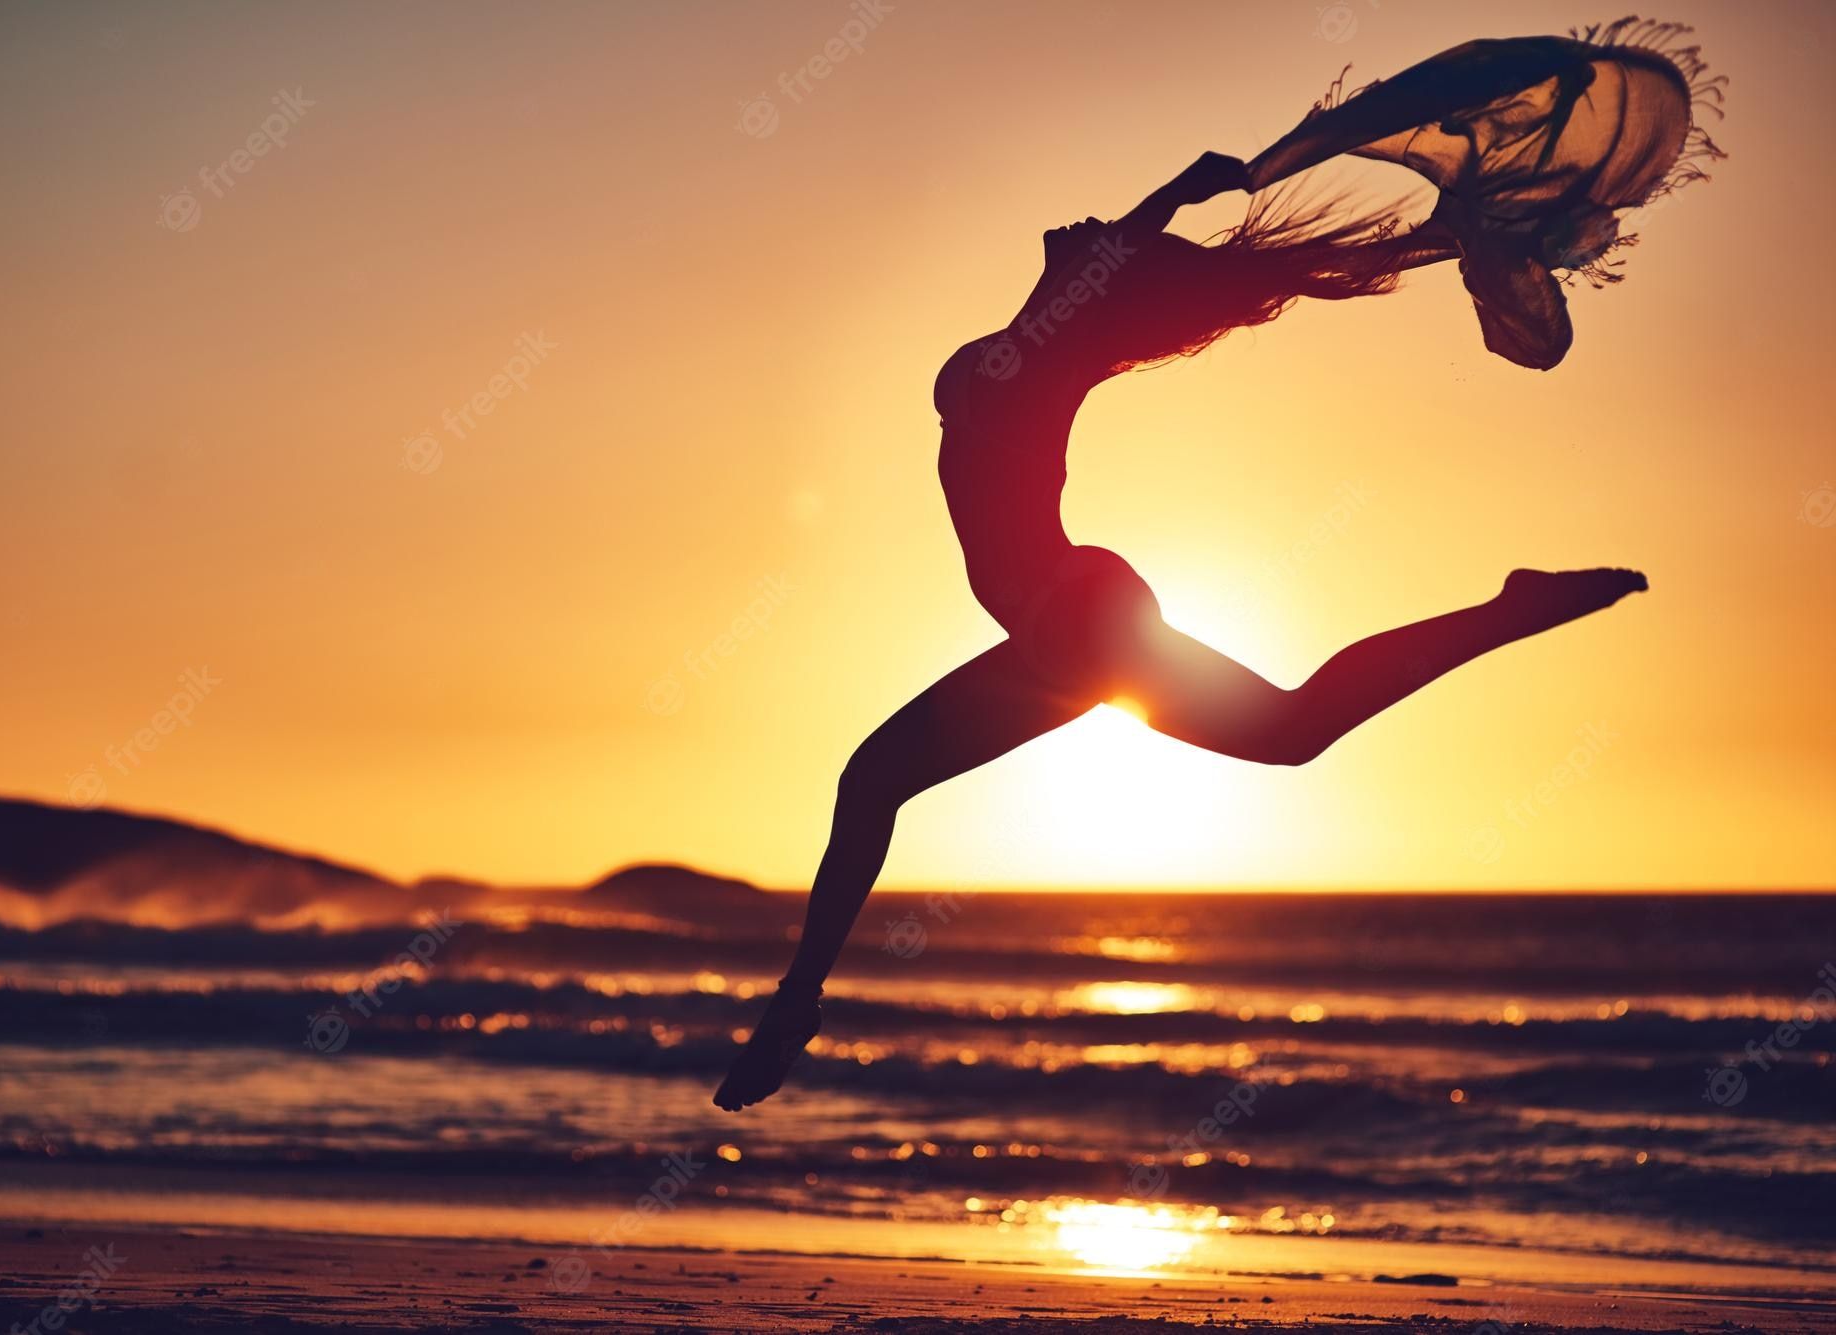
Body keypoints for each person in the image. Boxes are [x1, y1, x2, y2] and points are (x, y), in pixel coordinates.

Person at [715, 21, 1721, 1112]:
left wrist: (1169, 205)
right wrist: (1164, 208)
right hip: (1069, 612)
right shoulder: (1041, 334)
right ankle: (1504, 612)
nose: (1077, 225)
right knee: (1286, 734)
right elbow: (1093, 269)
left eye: (1094, 240)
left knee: (877, 780)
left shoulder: (1045, 343)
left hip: (1069, 615)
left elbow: (1092, 272)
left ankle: (794, 1004)